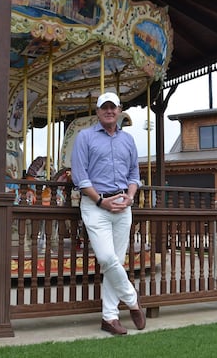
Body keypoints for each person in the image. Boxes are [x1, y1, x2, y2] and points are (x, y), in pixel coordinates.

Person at [70, 91, 145, 335]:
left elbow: (134, 175)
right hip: (96, 206)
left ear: (120, 110)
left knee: (115, 262)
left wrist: (130, 197)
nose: (109, 111)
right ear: (98, 111)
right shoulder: (85, 137)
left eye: (113, 107)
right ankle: (132, 300)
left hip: (123, 206)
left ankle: (110, 318)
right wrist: (101, 201)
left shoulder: (128, 141)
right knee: (107, 258)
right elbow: (80, 177)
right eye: (105, 107)